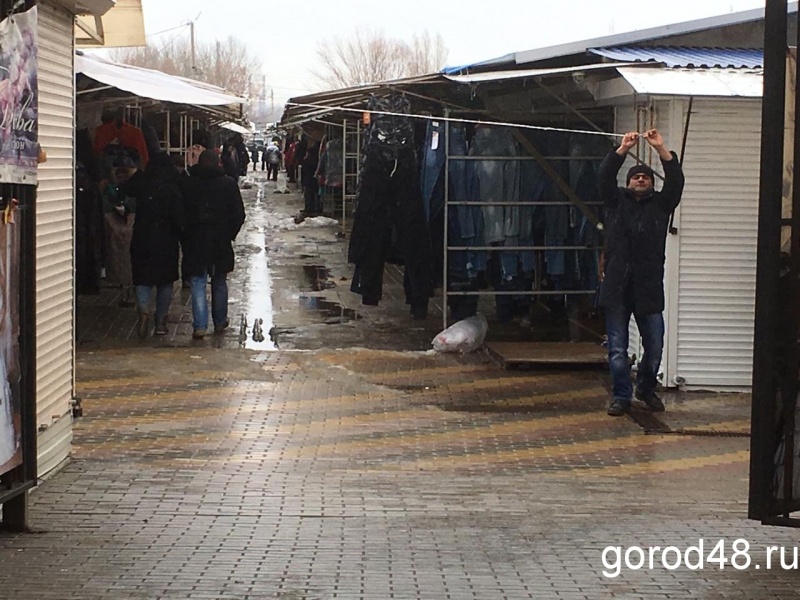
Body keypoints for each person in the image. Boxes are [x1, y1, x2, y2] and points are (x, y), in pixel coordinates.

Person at [598, 129, 684, 417]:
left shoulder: (661, 206)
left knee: (656, 347)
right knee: (618, 351)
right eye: (636, 176)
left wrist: (661, 149)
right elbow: (604, 178)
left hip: (648, 289)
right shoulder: (615, 202)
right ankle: (621, 396)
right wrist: (622, 149)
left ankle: (645, 388)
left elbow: (676, 182)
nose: (640, 179)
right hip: (617, 289)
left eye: (645, 176)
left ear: (651, 183)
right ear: (628, 182)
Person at [179, 150, 246, 339]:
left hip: (195, 239)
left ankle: (200, 326)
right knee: (219, 281)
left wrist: (185, 234)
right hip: (220, 240)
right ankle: (219, 320)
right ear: (218, 163)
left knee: (198, 281)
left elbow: (180, 212)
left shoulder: (187, 184)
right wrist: (229, 234)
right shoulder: (228, 184)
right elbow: (239, 214)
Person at [122, 153, 186, 338]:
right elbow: (179, 218)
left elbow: (124, 190)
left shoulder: (142, 185)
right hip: (166, 241)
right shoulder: (172, 188)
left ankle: (143, 310)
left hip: (142, 237)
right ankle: (160, 322)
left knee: (142, 280)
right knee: (165, 283)